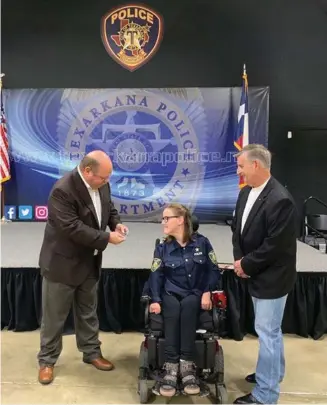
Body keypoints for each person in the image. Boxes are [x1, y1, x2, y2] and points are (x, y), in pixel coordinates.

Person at [37, 150, 128, 385]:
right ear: (88, 171)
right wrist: (107, 238)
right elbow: (72, 228)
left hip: (89, 262)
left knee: (88, 311)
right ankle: (47, 360)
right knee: (54, 317)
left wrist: (116, 224)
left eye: (108, 178)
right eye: (103, 178)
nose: (107, 182)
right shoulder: (63, 190)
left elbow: (109, 209)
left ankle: (91, 353)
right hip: (61, 265)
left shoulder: (101, 183)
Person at [231, 144, 297, 404]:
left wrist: (246, 265)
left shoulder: (280, 200)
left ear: (256, 165)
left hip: (273, 277)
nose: (239, 171)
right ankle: (272, 373)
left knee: (267, 333)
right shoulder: (246, 192)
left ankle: (265, 395)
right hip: (255, 270)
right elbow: (237, 229)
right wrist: (240, 259)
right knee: (271, 331)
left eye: (241, 166)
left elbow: (274, 246)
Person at [148, 203, 221, 397]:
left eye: (166, 218)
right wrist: (155, 299)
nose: (162, 222)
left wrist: (207, 291)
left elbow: (213, 270)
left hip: (194, 293)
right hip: (171, 293)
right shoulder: (163, 248)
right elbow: (156, 276)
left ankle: (187, 367)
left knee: (189, 307)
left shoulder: (203, 243)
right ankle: (171, 367)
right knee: (172, 309)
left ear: (180, 220)